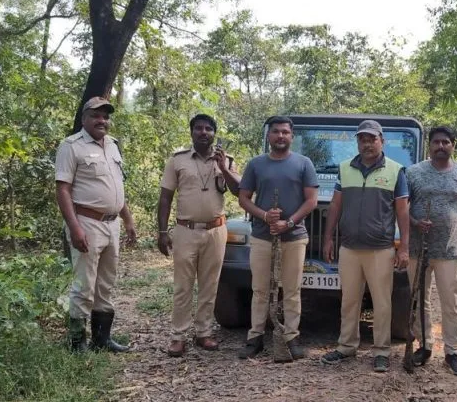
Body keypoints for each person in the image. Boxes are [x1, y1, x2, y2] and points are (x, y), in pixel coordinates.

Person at [319, 119, 410, 373]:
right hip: (349, 248)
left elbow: (403, 212)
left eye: (372, 139)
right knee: (349, 300)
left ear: (382, 141)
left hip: (380, 249)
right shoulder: (345, 168)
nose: (367, 144)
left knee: (382, 303)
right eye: (362, 139)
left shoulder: (396, 171)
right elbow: (335, 205)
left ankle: (381, 351)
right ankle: (346, 346)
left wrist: (404, 246)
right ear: (357, 142)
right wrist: (328, 238)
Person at [55, 97, 137, 353]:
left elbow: (116, 187)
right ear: (84, 119)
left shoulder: (112, 145)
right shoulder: (71, 146)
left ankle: (102, 339)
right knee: (84, 284)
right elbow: (63, 189)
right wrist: (75, 227)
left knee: (106, 283)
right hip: (87, 223)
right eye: (95, 115)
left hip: (112, 224)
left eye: (105, 116)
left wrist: (128, 219)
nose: (102, 120)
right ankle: (77, 342)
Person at [236, 116, 319, 361]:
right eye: (275, 132)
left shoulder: (304, 163)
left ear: (292, 136)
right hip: (262, 236)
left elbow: (311, 201)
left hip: (294, 237)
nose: (280, 136)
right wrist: (264, 216)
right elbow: (243, 198)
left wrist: (288, 222)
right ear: (269, 135)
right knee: (260, 289)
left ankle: (291, 337)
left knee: (292, 290)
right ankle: (255, 337)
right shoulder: (256, 164)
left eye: (285, 132)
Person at [157, 114, 240, 357]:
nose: (204, 132)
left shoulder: (227, 160)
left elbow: (239, 191)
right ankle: (178, 336)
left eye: (208, 129)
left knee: (210, 283)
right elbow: (165, 198)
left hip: (216, 230)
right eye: (199, 128)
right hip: (186, 230)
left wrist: (223, 168)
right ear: (192, 132)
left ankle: (204, 332)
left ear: (214, 133)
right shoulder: (177, 160)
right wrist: (162, 232)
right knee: (183, 285)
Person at [404, 126, 457, 376]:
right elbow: (402, 207)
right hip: (418, 249)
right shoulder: (414, 173)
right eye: (436, 142)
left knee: (450, 302)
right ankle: (424, 346)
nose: (441, 146)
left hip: (449, 250)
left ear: (453, 145)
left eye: (446, 142)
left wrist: (452, 221)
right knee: (418, 301)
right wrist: (415, 223)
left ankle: (452, 352)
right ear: (429, 145)